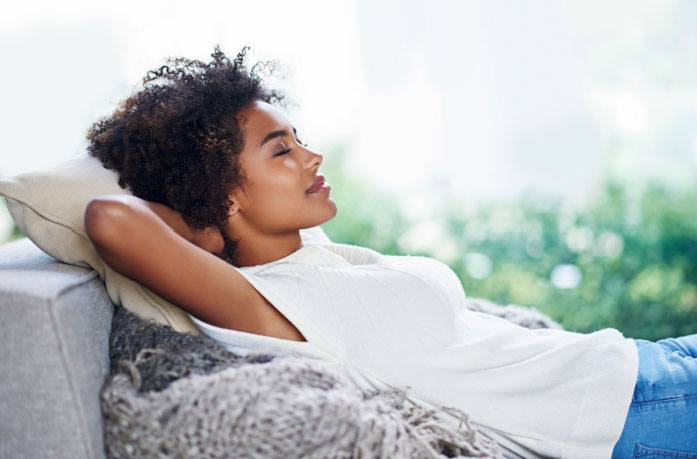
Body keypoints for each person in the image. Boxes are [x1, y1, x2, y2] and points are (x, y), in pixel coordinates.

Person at [82, 45, 697, 458]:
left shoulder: (309, 253)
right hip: (637, 411)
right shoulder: (267, 304)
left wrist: (218, 210)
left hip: (639, 363)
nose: (311, 156)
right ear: (222, 196)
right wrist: (203, 222)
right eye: (281, 150)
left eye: (300, 139)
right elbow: (109, 219)